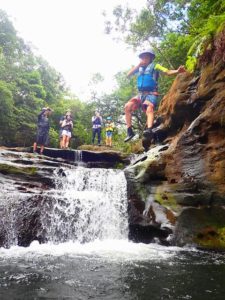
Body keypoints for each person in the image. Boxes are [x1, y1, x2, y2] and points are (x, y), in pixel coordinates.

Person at [124, 48, 186, 142]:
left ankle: (149, 130)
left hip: (151, 93)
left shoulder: (155, 66)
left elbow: (167, 72)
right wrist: (138, 65)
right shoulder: (139, 68)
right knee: (127, 106)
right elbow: (128, 75)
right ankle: (129, 132)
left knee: (149, 108)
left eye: (146, 57)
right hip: (140, 94)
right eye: (143, 57)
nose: (144, 58)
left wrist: (177, 71)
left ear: (150, 58)